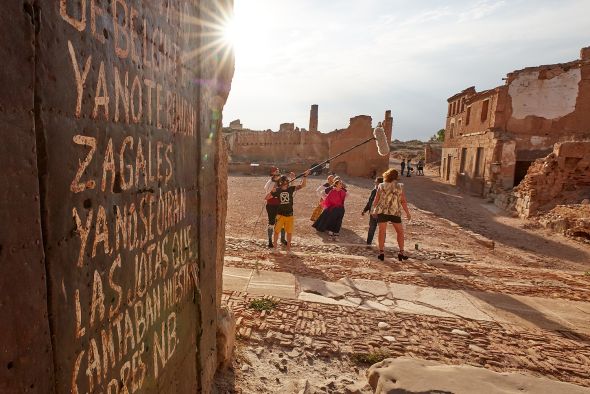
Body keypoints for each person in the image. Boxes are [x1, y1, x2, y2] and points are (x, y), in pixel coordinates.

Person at [371, 168, 411, 261]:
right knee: (400, 232)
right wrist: (407, 213)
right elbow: (403, 201)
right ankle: (401, 253)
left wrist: (374, 210)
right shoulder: (400, 186)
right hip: (395, 212)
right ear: (396, 176)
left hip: (382, 211)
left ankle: (381, 253)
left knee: (382, 231)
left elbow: (376, 199)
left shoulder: (381, 185)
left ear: (387, 175)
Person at [266, 170, 310, 251]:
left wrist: (305, 176)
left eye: (287, 181)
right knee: (276, 232)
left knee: (289, 232)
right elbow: (266, 198)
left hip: (290, 215)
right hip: (280, 215)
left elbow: (303, 185)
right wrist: (271, 192)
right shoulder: (278, 190)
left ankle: (288, 249)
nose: (287, 182)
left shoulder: (291, 189)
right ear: (282, 182)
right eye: (286, 181)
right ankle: (275, 248)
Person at [264, 167, 286, 247]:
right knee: (271, 223)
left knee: (282, 222)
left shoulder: (282, 180)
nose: (277, 172)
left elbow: (287, 188)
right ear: (272, 173)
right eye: (275, 171)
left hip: (280, 204)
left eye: (278, 171)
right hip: (271, 205)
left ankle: (283, 239)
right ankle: (270, 241)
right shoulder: (270, 182)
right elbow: (268, 192)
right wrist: (276, 187)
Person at [362, 177, 383, 245]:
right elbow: (370, 202)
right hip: (372, 213)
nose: (375, 183)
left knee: (382, 230)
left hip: (381, 214)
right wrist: (365, 210)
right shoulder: (374, 191)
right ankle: (368, 243)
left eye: (376, 182)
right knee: (371, 228)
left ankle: (382, 244)